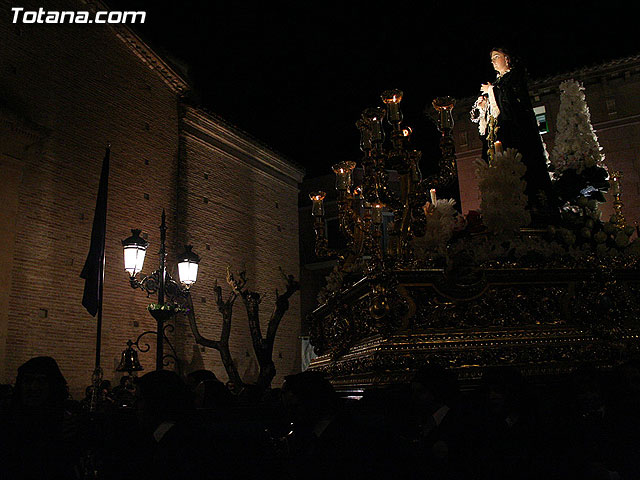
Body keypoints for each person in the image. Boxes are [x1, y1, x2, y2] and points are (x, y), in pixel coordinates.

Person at [479, 47, 559, 224]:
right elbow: (497, 109)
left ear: (507, 59)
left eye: (496, 57)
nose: (493, 61)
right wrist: (486, 103)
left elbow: (513, 105)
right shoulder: (499, 81)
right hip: (503, 133)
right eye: (491, 58)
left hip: (517, 134)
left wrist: (492, 91)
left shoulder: (514, 77)